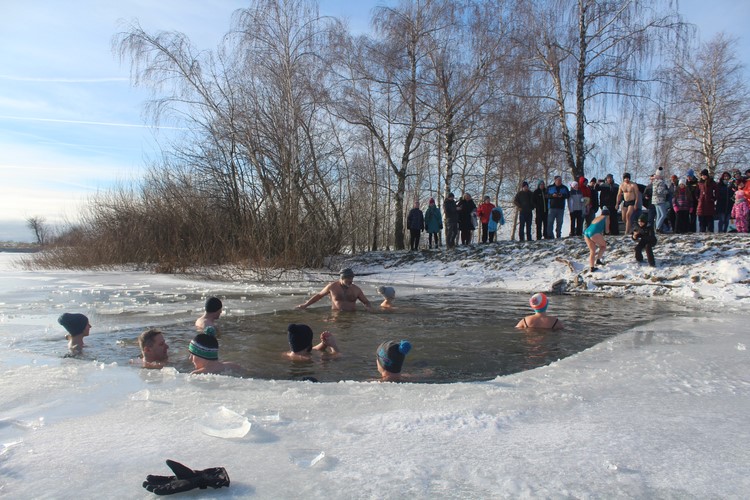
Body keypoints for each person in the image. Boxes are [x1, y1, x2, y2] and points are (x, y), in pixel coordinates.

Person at [297, 268, 372, 312]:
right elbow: (319, 296)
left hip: (351, 316)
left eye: (352, 278)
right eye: (348, 279)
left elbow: (366, 302)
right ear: (342, 278)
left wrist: (368, 307)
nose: (351, 281)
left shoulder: (356, 289)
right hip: (336, 315)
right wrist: (305, 305)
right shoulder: (332, 287)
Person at [583, 208, 610, 272]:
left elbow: (596, 228)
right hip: (594, 233)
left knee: (592, 250)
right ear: (608, 214)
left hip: (586, 232)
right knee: (603, 246)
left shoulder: (597, 218)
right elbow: (607, 231)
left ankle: (592, 267)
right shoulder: (606, 218)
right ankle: (598, 260)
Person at [652, 167, 670, 233]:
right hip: (660, 199)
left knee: (659, 215)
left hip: (654, 200)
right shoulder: (661, 182)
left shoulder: (654, 181)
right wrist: (667, 191)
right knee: (663, 214)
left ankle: (656, 228)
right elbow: (660, 191)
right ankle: (658, 227)